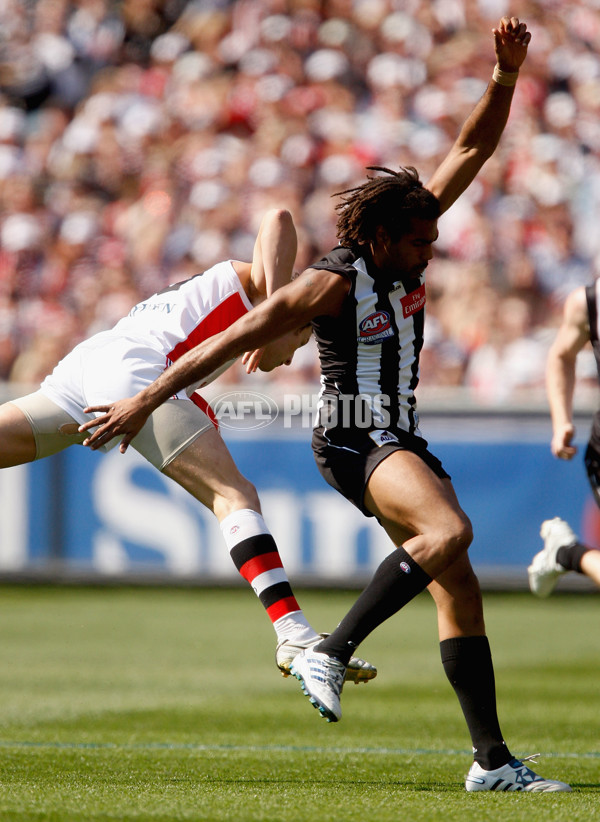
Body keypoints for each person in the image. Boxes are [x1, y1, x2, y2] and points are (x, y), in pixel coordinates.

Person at [79, 19, 570, 792]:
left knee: (460, 585)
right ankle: (328, 650)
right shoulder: (327, 284)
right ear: (378, 237)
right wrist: (144, 398)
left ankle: (491, 763)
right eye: (418, 244)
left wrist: (504, 77)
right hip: (351, 434)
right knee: (450, 531)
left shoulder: (409, 225)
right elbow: (224, 343)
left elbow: (472, 149)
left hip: (395, 429)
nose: (429, 253)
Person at [0, 207, 376, 684]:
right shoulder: (267, 289)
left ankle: (295, 633)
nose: (285, 363)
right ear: (298, 323)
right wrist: (277, 317)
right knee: (234, 496)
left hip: (94, 360)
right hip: (136, 368)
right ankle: (294, 632)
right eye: (298, 347)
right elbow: (278, 217)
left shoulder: (241, 297)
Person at [528, 283, 600, 595]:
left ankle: (566, 552)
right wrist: (561, 422)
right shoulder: (589, 301)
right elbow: (560, 354)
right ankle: (568, 553)